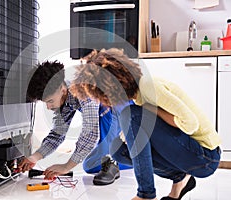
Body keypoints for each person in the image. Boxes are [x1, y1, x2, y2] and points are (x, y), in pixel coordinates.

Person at [70, 48, 221, 200]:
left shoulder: (148, 86)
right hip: (192, 155)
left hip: (206, 158)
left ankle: (146, 194)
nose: (106, 102)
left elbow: (190, 124)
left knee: (131, 114)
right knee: (118, 150)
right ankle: (180, 179)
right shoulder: (139, 96)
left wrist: (150, 109)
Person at [18, 60, 132, 185]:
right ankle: (132, 158)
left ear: (62, 89)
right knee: (90, 166)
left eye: (50, 101)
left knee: (104, 112)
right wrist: (35, 157)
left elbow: (90, 134)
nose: (48, 107)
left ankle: (113, 160)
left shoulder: (83, 89)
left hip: (121, 108)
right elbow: (57, 135)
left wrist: (66, 167)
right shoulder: (64, 100)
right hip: (108, 115)